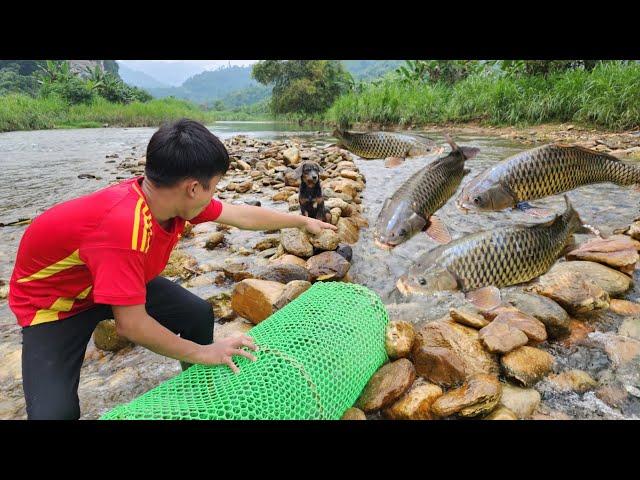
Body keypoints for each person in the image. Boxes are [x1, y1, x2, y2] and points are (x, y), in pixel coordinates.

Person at [9, 118, 336, 420]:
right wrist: (204, 352)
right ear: (193, 188)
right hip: (55, 304)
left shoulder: (170, 201)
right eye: (215, 186)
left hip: (109, 277)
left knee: (196, 313)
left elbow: (241, 215)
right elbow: (132, 326)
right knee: (56, 413)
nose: (215, 195)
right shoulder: (125, 229)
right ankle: (201, 363)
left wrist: (302, 220)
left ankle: (199, 393)